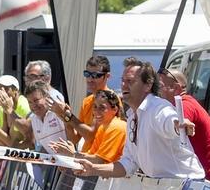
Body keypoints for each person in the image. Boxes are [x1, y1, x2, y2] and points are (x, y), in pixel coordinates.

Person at [75, 57, 205, 179]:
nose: (124, 85)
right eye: (123, 80)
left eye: (130, 81)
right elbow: (128, 163)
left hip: (188, 188)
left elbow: (168, 119)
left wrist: (177, 125)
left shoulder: (157, 107)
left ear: (148, 85)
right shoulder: (132, 117)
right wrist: (93, 169)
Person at [158, 68, 210, 179]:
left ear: (175, 88)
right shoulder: (186, 102)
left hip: (205, 177)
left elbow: (178, 129)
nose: (157, 92)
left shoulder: (184, 105)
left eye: (160, 86)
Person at [49, 90, 126, 164]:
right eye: (95, 107)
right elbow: (90, 155)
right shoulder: (103, 127)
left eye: (102, 107)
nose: (96, 111)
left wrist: (73, 155)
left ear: (115, 109)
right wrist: (70, 161)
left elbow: (100, 161)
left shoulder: (116, 126)